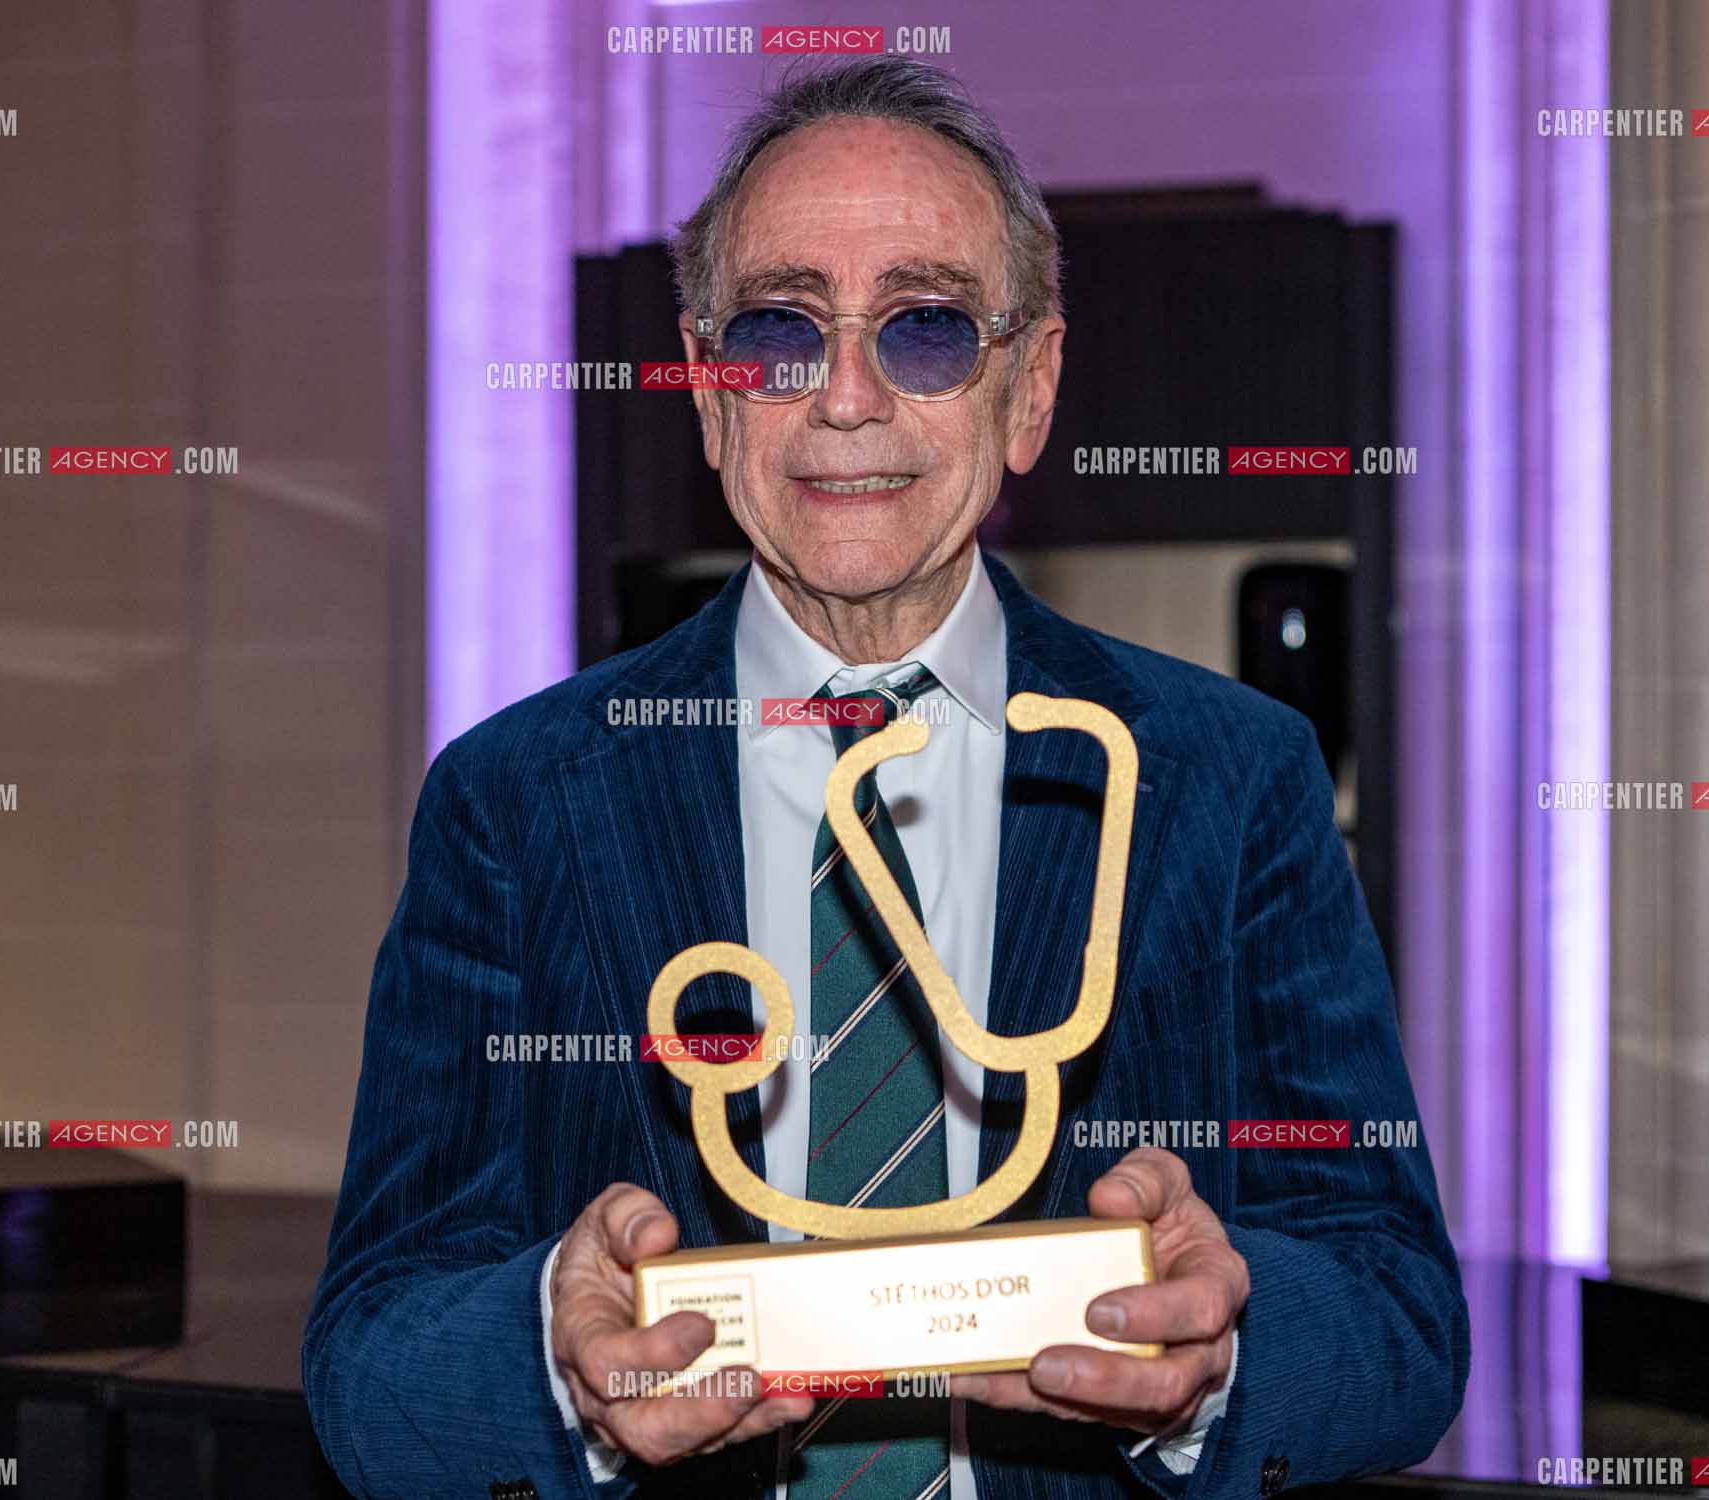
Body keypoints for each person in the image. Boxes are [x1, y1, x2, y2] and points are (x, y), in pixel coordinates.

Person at [304, 56, 1466, 1500]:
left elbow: (1398, 1312)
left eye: (924, 330)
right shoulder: (519, 800)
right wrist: (552, 1350)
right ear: (709, 394)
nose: (844, 398)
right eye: (779, 333)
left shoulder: (1225, 781)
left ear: (1027, 387)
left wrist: (1221, 1347)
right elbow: (368, 1366)